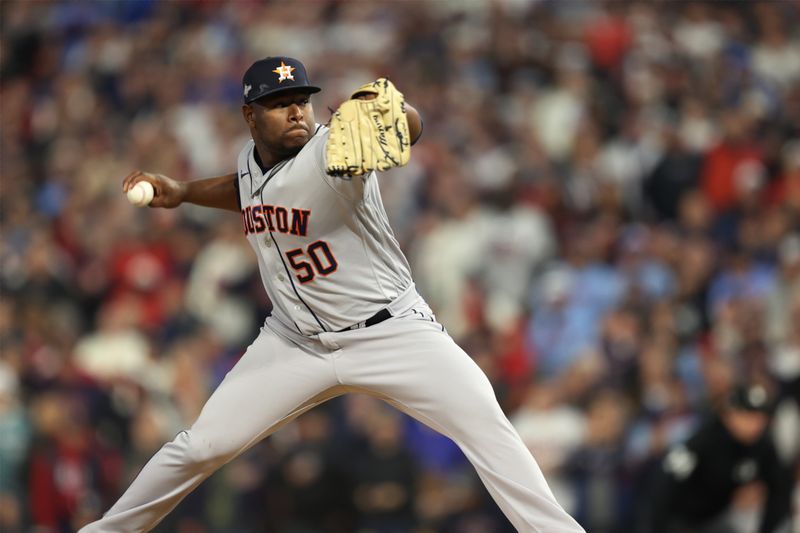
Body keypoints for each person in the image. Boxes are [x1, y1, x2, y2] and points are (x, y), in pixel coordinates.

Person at [80, 56, 583, 532]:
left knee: (485, 423)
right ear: (250, 117)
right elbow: (249, 189)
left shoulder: (331, 152)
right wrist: (185, 190)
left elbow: (407, 127)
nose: (296, 109)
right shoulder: (251, 162)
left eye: (302, 98)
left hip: (390, 332)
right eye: (280, 102)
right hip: (294, 342)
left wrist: (405, 116)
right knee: (201, 446)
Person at [647, 384, 793, 533]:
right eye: (747, 415)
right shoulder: (703, 441)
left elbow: (779, 491)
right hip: (681, 520)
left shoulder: (763, 446)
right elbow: (663, 486)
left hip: (717, 519)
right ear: (729, 414)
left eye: (760, 417)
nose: (755, 423)